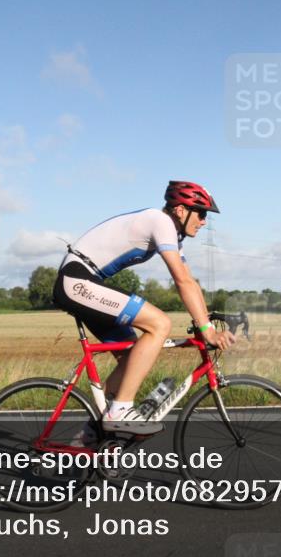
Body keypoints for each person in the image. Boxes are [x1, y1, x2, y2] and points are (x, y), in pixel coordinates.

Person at [52, 180, 236, 436]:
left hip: (84, 282)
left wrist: (204, 320)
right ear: (181, 210)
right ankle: (120, 410)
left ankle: (90, 438)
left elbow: (189, 280)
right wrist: (206, 329)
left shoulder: (171, 233)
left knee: (130, 357)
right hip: (77, 281)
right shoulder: (159, 222)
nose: (204, 221)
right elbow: (180, 281)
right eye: (201, 213)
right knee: (159, 324)